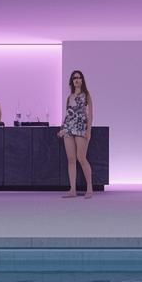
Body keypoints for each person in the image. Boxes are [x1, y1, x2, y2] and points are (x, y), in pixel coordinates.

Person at [58, 69, 94, 198]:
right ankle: (72, 189)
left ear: (82, 80)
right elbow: (68, 115)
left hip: (81, 128)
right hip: (69, 129)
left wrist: (88, 130)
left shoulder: (86, 95)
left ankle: (89, 188)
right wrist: (63, 128)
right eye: (74, 78)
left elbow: (90, 115)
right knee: (71, 159)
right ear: (72, 81)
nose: (76, 80)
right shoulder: (69, 97)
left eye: (79, 77)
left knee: (81, 158)